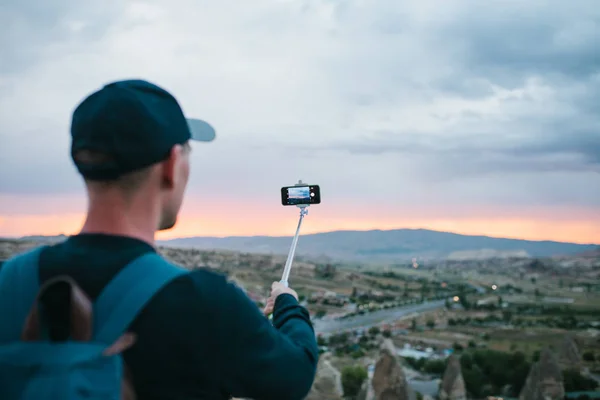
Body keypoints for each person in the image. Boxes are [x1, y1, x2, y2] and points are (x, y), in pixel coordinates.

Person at [2, 79, 319, 399]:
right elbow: (297, 374)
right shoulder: (205, 303)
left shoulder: (9, 281)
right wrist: (286, 304)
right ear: (171, 166)